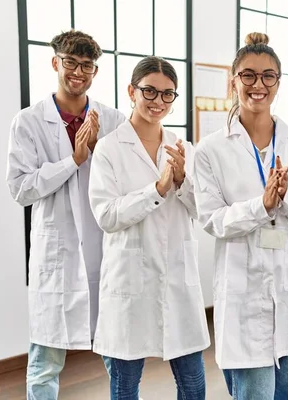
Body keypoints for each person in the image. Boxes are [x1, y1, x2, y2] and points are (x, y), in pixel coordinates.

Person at [193, 32, 288, 400]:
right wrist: (261, 206)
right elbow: (212, 219)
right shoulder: (211, 150)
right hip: (243, 293)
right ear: (233, 81)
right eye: (248, 75)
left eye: (268, 76)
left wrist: (287, 194)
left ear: (278, 84)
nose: (258, 84)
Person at [6, 30, 126, 399]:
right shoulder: (28, 122)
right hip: (56, 253)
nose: (78, 72)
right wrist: (73, 160)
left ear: (95, 71)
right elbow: (21, 189)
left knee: (117, 352)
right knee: (45, 358)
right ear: (55, 62)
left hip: (104, 252)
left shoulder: (114, 120)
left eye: (87, 65)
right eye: (70, 63)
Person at [88, 56, 210, 400]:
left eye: (168, 94)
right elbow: (107, 216)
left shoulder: (183, 147)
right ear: (131, 91)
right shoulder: (110, 149)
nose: (158, 101)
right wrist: (156, 190)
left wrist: (183, 180)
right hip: (130, 280)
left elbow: (203, 211)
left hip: (177, 279)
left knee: (194, 383)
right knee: (125, 385)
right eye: (150, 92)